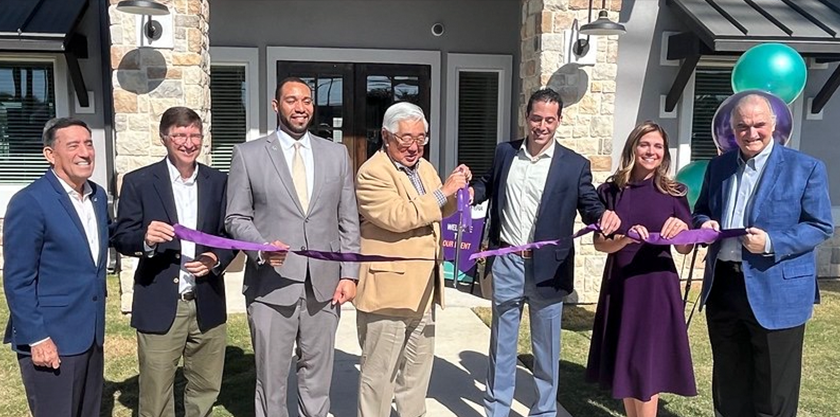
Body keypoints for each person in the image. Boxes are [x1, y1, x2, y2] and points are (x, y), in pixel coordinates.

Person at [470, 88, 621, 417]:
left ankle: (543, 412)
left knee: (546, 350)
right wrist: (471, 193)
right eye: (536, 118)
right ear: (527, 117)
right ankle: (497, 409)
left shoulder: (574, 165)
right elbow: (488, 183)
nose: (542, 126)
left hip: (550, 270)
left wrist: (603, 217)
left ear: (559, 120)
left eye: (549, 120)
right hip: (507, 261)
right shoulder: (505, 153)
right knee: (502, 346)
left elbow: (589, 204)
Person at [225, 77, 361, 417]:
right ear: (276, 106)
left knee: (317, 379)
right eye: (291, 100)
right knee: (271, 382)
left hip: (324, 287)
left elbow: (348, 219)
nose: (300, 107)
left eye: (306, 100)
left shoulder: (336, 154)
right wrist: (261, 247)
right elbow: (236, 217)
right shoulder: (248, 155)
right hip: (271, 286)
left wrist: (350, 274)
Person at [693, 93, 833, 417]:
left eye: (758, 125)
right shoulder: (719, 166)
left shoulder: (805, 167)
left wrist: (771, 242)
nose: (751, 132)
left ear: (773, 124)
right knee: (729, 387)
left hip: (777, 291)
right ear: (733, 129)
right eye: (742, 126)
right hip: (724, 288)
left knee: (773, 395)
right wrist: (704, 224)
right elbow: (701, 211)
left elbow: (820, 225)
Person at [111, 107, 237, 417]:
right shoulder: (139, 181)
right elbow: (122, 237)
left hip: (207, 299)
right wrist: (146, 238)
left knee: (206, 388)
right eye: (180, 135)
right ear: (164, 138)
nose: (188, 142)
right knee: (156, 393)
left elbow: (228, 235)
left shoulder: (218, 182)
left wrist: (215, 257)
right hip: (160, 301)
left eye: (195, 135)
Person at [353, 102, 470, 416]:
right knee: (379, 378)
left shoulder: (425, 168)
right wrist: (443, 192)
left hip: (423, 291)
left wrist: (458, 192)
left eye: (421, 138)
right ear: (386, 136)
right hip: (387, 295)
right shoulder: (372, 173)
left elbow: (437, 209)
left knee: (416, 377)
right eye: (406, 138)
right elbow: (398, 216)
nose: (414, 146)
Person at [585, 121, 696, 417]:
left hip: (656, 287)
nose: (651, 151)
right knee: (627, 365)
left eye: (658, 146)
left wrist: (682, 230)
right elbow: (600, 243)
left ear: (664, 153)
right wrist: (624, 238)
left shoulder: (674, 192)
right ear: (633, 148)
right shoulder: (611, 190)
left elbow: (685, 248)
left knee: (646, 368)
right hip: (621, 285)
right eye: (644, 144)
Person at [3, 117, 108, 417]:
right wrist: (37, 338)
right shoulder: (30, 202)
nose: (85, 152)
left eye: (88, 144)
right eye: (73, 145)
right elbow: (18, 279)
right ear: (50, 154)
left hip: (90, 334)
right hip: (52, 338)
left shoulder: (97, 196)